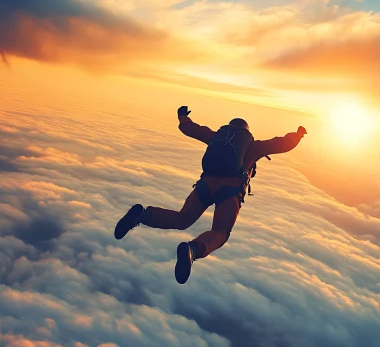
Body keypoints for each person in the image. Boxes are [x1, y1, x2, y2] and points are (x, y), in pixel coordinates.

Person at [114, 105, 307, 284]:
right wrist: (298, 135)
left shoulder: (216, 137)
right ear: (247, 132)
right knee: (220, 233)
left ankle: (143, 215)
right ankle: (193, 249)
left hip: (205, 185)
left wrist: (182, 116)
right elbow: (281, 144)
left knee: (182, 219)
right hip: (229, 192)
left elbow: (191, 129)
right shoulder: (254, 146)